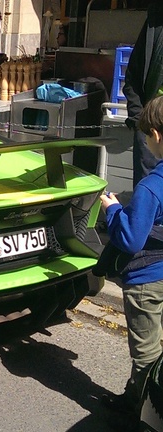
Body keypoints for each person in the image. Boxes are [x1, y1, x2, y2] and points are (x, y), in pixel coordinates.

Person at [98, 94, 163, 426]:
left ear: (155, 136)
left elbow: (130, 239)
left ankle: (145, 412)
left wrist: (113, 211)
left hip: (146, 281)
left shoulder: (152, 187)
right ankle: (134, 398)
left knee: (146, 353)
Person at [123, 2, 163, 190]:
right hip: (151, 130)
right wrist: (139, 119)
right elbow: (133, 75)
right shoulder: (155, 23)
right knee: (147, 194)